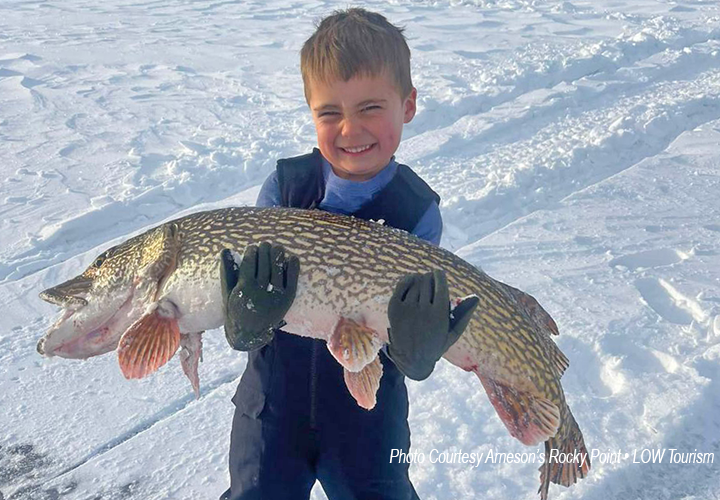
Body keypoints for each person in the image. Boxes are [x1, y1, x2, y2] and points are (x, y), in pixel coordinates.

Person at [219, 8, 479, 500]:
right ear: (310, 112)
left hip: (369, 420)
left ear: (408, 104)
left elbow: (408, 323)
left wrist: (415, 349)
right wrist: (245, 318)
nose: (350, 131)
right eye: (330, 113)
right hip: (271, 409)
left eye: (371, 108)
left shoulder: (417, 210)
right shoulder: (284, 187)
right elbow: (244, 285)